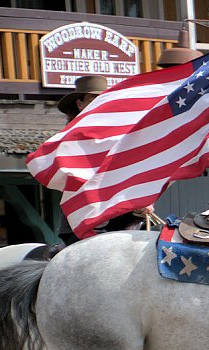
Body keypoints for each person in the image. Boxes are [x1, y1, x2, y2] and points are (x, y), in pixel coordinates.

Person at [55, 75, 157, 244]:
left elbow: (134, 169)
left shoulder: (126, 133)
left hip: (125, 219)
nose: (99, 103)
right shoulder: (67, 140)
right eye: (93, 98)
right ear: (79, 104)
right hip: (83, 218)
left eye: (104, 99)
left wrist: (142, 198)